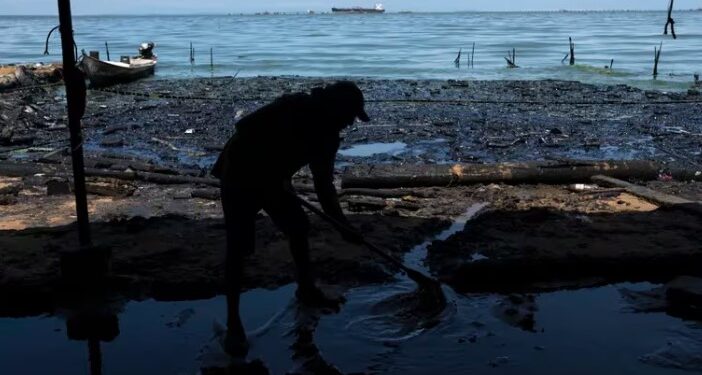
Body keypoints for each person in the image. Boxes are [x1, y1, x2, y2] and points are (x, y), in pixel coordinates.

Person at [211, 80, 370, 356]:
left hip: (275, 181)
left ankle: (306, 289)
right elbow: (244, 127)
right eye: (348, 116)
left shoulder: (329, 138)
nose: (349, 124)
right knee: (239, 247)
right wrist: (270, 166)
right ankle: (234, 323)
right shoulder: (294, 106)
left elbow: (323, 186)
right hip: (240, 172)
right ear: (335, 108)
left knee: (298, 227)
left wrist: (343, 225)